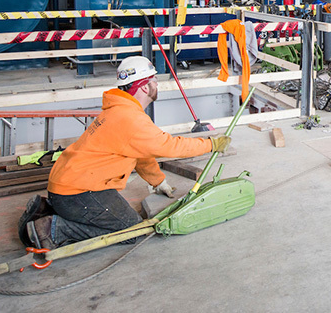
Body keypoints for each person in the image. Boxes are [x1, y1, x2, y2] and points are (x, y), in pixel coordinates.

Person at [21, 56, 232, 250]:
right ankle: (53, 229)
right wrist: (210, 144)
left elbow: (142, 155)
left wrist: (158, 182)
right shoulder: (130, 119)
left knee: (122, 223)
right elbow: (168, 146)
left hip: (69, 188)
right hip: (78, 193)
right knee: (131, 231)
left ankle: (47, 209)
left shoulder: (121, 111)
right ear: (144, 87)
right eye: (154, 80)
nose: (157, 84)